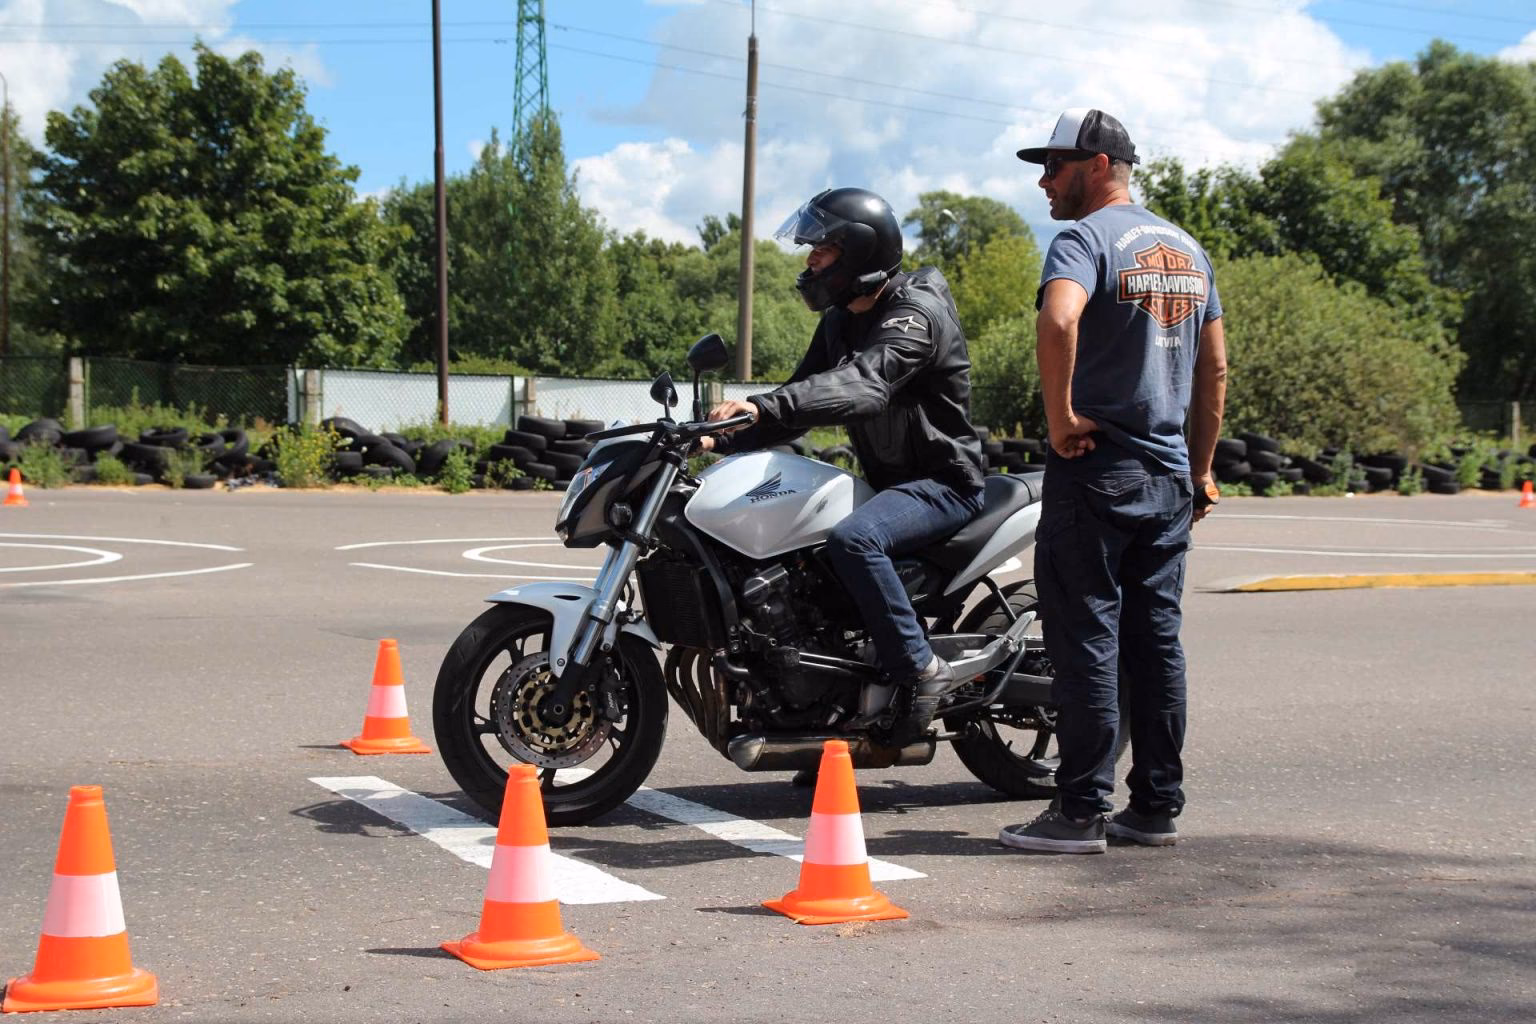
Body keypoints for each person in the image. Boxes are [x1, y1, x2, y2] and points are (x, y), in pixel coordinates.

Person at [997, 109, 1228, 853]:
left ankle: (1079, 812)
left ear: (1098, 165)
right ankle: (1156, 806)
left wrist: (1060, 418)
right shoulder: (1189, 250)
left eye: (1055, 166)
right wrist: (1201, 469)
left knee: (1086, 641)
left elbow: (1059, 320)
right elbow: (1215, 367)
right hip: (1166, 480)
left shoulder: (1084, 240)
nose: (1044, 181)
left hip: (1096, 474)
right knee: (1155, 645)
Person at [700, 186, 986, 752]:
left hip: (943, 484)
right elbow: (800, 399)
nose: (809, 261)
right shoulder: (839, 320)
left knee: (854, 540)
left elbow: (864, 384)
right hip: (887, 486)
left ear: (858, 253)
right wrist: (717, 438)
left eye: (822, 250)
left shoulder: (915, 316)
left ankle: (921, 669)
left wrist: (764, 406)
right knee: (798, 563)